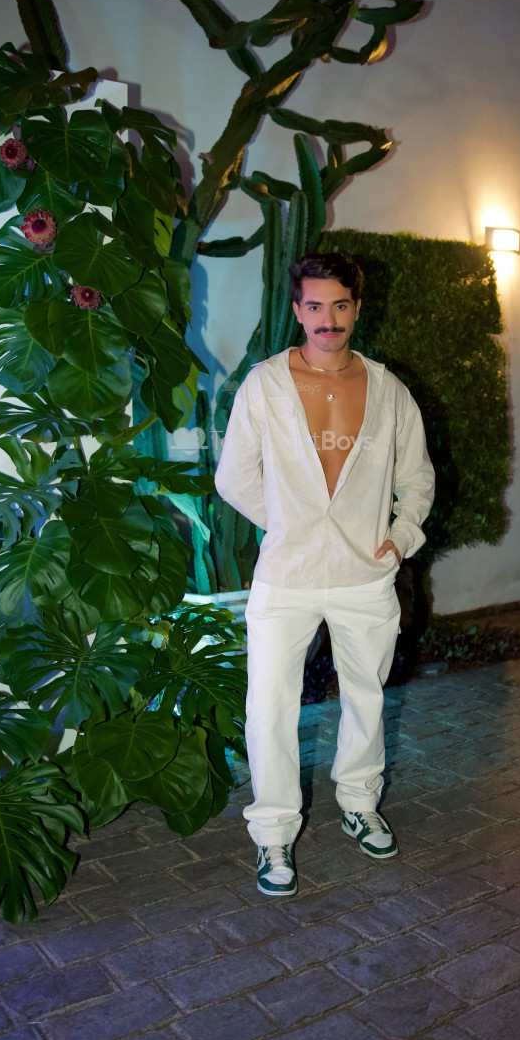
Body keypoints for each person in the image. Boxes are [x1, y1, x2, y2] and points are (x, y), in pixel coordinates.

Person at [215, 251, 435, 898]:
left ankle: (360, 804)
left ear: (357, 309)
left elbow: (417, 479)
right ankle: (273, 835)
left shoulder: (389, 390)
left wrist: (399, 540)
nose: (328, 319)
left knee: (366, 695)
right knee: (269, 705)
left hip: (365, 573)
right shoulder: (265, 385)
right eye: (314, 305)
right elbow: (234, 477)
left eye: (340, 305)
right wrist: (288, 523)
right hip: (287, 574)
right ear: (297, 310)